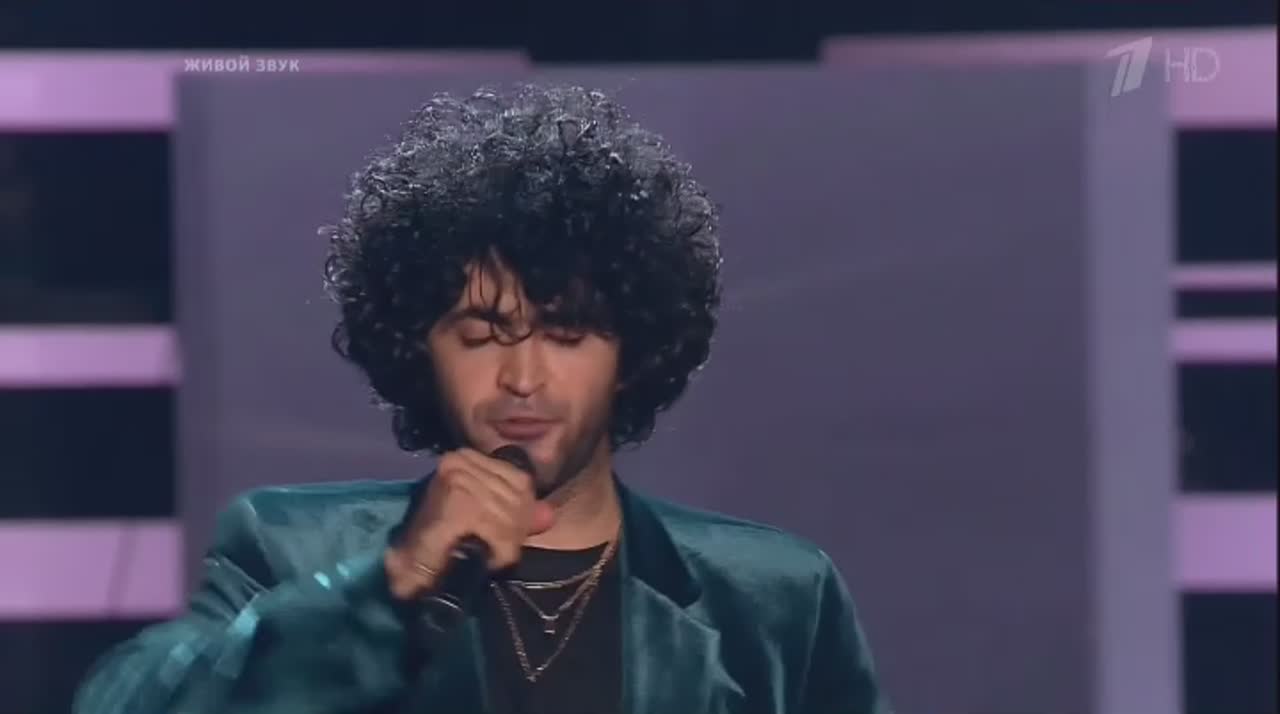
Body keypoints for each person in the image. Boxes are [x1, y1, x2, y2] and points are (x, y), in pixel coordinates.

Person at [74, 84, 889, 714]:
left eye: (566, 333)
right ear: (417, 346)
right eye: (482, 333)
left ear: (631, 353)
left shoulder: (774, 597)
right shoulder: (291, 550)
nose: (523, 377)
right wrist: (390, 586)